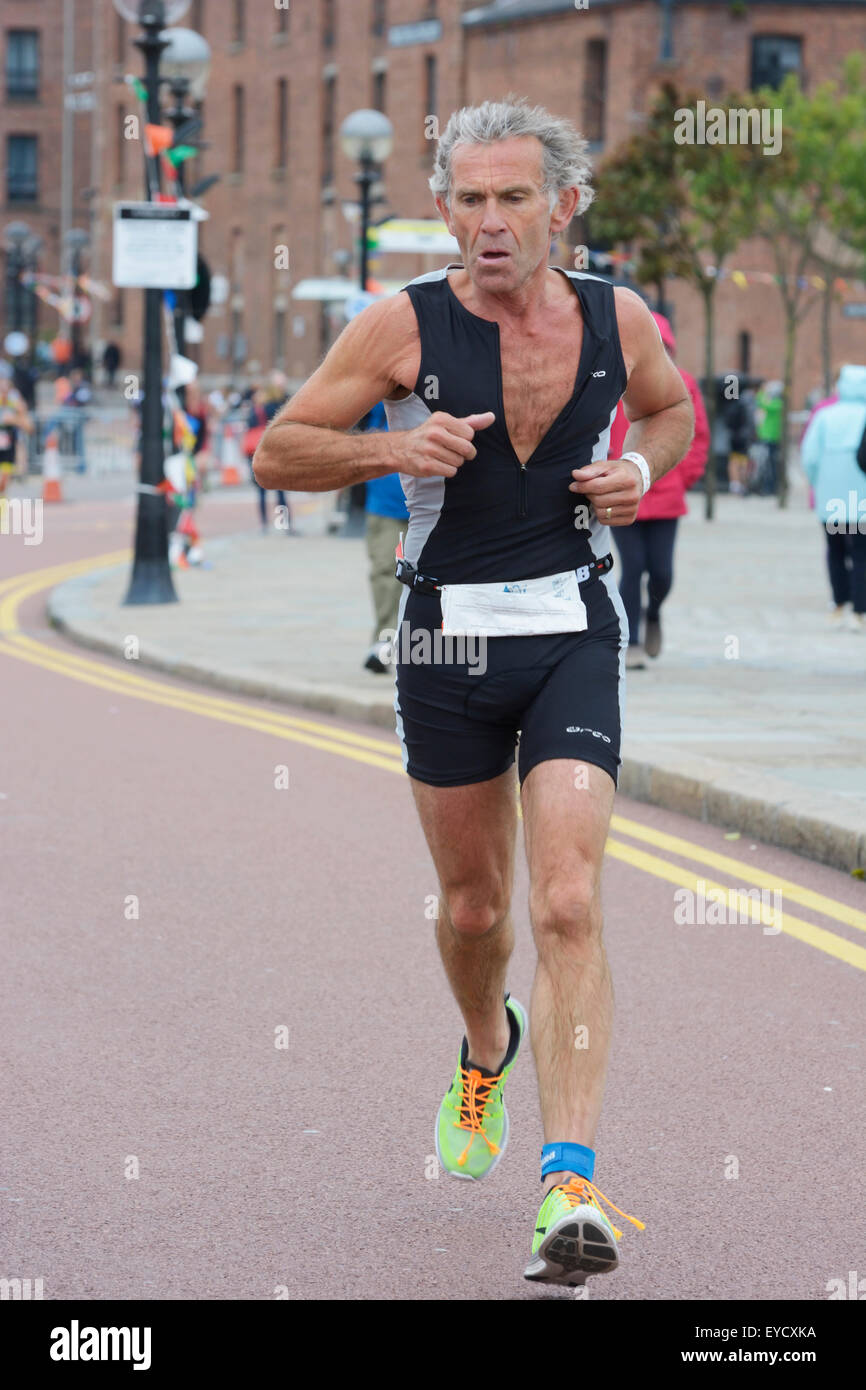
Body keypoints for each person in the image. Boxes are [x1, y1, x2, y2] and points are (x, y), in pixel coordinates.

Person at [252, 98, 694, 1288]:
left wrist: (639, 469)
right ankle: (483, 1049)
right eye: (468, 200)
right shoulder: (398, 324)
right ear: (443, 207)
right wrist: (394, 450)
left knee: (562, 900)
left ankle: (568, 1181)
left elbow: (671, 404)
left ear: (563, 205)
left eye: (513, 198)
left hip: (569, 633)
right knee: (472, 912)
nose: (489, 223)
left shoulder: (617, 315)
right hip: (443, 642)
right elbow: (277, 452)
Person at [608, 312, 708, 667]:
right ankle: (630, 641)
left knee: (662, 572)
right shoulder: (610, 379)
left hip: (666, 495)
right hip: (622, 494)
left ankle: (653, 613)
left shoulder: (682, 384)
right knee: (632, 567)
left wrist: (684, 478)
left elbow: (698, 436)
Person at [800, 363, 866, 632]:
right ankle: (861, 610)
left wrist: (818, 484)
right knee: (862, 552)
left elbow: (810, 455)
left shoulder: (825, 416)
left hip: (831, 498)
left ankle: (839, 603)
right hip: (861, 498)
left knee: (835, 550)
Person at [360, 402, 410, 672]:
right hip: (387, 501)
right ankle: (385, 640)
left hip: (441, 498)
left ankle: (435, 650)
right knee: (385, 571)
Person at [245, 374, 291, 533]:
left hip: (261, 451)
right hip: (277, 452)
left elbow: (250, 427)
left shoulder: (260, 407)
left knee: (262, 490)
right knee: (280, 491)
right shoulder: (283, 406)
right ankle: (283, 524)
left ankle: (264, 524)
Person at [0, 361, 33, 493]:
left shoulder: (15, 402)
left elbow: (29, 427)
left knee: (3, 483)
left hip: (8, 449)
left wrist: (15, 420)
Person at [754, 379, 783, 495]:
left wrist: (762, 391)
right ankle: (769, 487)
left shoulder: (777, 404)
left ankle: (770, 487)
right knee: (768, 464)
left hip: (771, 438)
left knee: (769, 465)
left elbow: (761, 402)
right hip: (768, 437)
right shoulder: (777, 403)